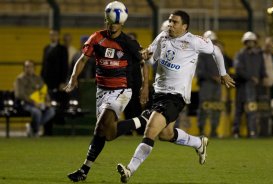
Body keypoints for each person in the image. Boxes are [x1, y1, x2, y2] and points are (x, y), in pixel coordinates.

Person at [116, 10, 235, 183]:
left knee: (150, 131)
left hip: (175, 95)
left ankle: (129, 170)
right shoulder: (163, 37)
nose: (170, 24)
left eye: (175, 22)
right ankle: (198, 143)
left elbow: (216, 50)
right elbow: (150, 58)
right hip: (159, 93)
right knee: (166, 134)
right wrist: (145, 56)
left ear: (184, 26)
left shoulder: (193, 41)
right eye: (170, 21)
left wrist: (223, 74)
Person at [64, 1, 149, 182]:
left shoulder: (129, 43)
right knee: (105, 133)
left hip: (121, 90)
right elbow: (82, 59)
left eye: (116, 23)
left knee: (101, 126)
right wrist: (73, 77)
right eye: (110, 22)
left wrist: (145, 87)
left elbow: (143, 63)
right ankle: (84, 170)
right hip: (101, 91)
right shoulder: (96, 38)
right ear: (106, 20)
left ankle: (83, 170)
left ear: (122, 23)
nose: (113, 26)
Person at [232, 31, 266, 138]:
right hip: (242, 86)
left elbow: (262, 70)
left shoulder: (259, 56)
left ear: (255, 42)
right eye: (248, 41)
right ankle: (236, 132)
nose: (250, 43)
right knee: (239, 109)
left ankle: (252, 131)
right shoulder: (240, 54)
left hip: (253, 88)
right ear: (245, 42)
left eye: (252, 41)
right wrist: (251, 77)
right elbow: (238, 70)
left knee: (252, 109)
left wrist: (261, 78)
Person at [14, 60, 55, 137]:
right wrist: (33, 102)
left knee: (51, 111)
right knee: (37, 112)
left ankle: (32, 127)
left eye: (31, 67)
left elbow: (44, 91)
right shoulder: (20, 79)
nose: (29, 68)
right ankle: (35, 132)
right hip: (25, 103)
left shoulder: (38, 78)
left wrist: (47, 101)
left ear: (34, 68)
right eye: (27, 67)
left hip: (39, 103)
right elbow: (19, 94)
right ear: (24, 68)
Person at [41, 29, 69, 133]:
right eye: (51, 35)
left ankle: (58, 127)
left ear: (58, 36)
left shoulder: (62, 49)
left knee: (58, 104)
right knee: (47, 104)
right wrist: (41, 80)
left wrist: (62, 81)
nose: (52, 37)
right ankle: (47, 129)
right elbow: (44, 66)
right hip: (46, 82)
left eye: (54, 35)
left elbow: (65, 66)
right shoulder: (46, 48)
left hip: (58, 82)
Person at [196, 30, 223, 137]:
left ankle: (214, 131)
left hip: (217, 86)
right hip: (206, 85)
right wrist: (213, 77)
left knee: (216, 107)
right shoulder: (201, 54)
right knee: (204, 107)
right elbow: (200, 72)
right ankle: (201, 130)